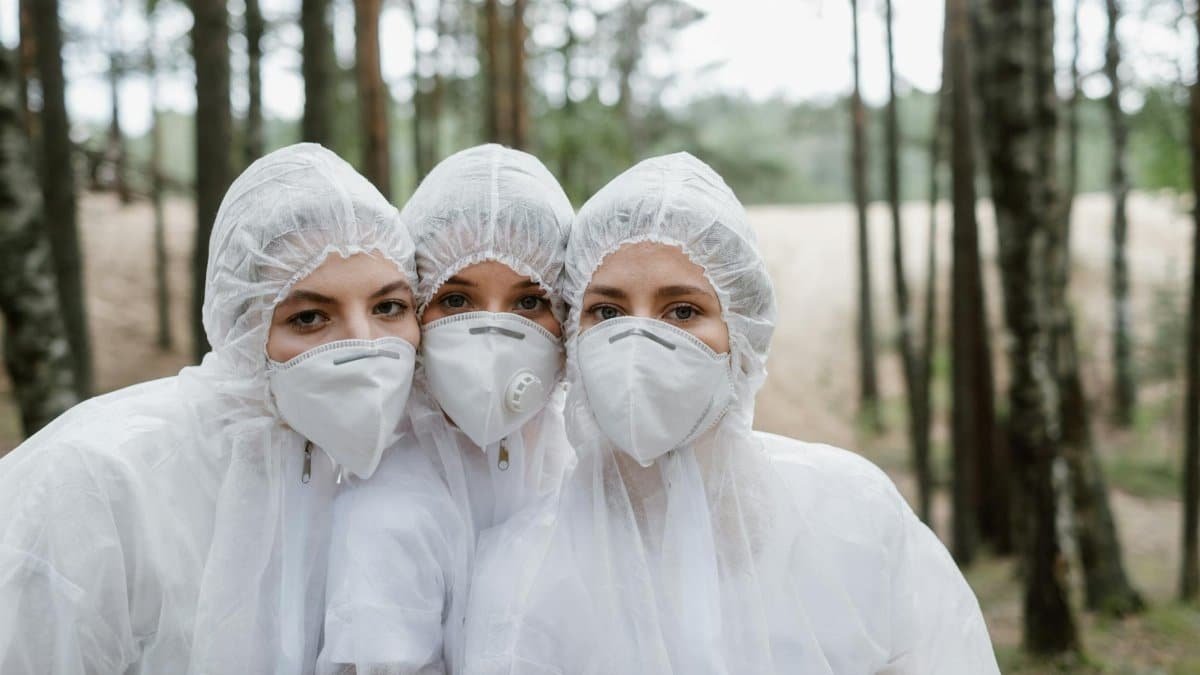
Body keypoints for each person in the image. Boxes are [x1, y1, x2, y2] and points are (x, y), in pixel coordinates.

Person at [462, 153, 1000, 674]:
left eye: (683, 311)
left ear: (742, 336)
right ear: (573, 336)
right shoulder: (519, 573)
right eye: (607, 311)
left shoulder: (852, 517)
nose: (639, 339)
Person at [0, 143, 420, 674]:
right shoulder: (97, 480)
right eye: (310, 317)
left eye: (389, 307)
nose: (363, 345)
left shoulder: (372, 476)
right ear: (240, 327)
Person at [318, 144, 575, 674]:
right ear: (416, 308)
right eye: (456, 300)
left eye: (530, 302)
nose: (495, 332)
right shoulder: (386, 512)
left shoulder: (585, 468)